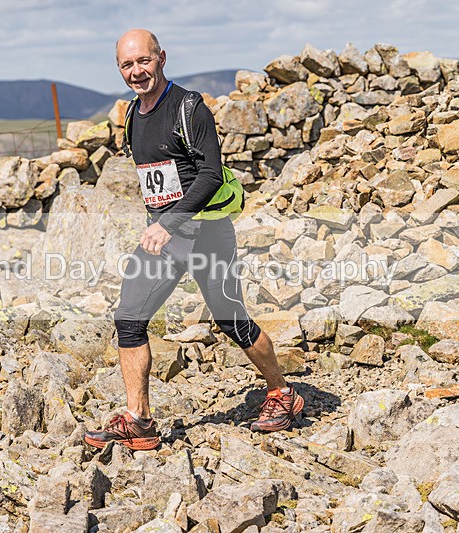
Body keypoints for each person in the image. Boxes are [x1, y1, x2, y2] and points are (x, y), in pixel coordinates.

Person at [84, 29, 305, 451]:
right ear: (119, 68)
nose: (137, 71)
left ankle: (282, 393)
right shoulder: (133, 115)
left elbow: (209, 175)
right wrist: (161, 224)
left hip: (205, 234)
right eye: (127, 65)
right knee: (129, 318)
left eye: (143, 61)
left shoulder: (189, 108)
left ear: (161, 58)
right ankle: (140, 421)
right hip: (163, 240)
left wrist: (168, 221)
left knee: (230, 320)